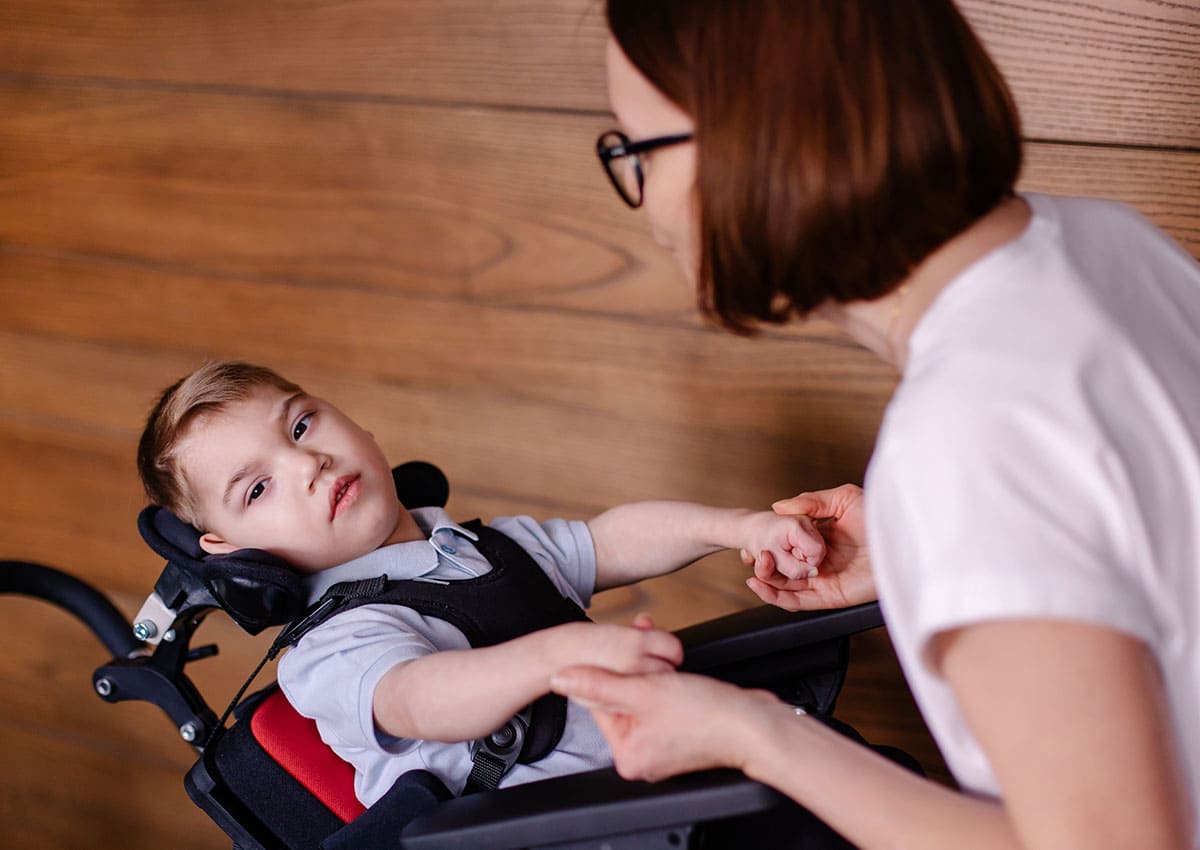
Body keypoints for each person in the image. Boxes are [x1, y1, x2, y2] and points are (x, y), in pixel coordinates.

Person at [550, 2, 1200, 849]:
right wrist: (926, 556)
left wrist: (757, 736)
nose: (642, 202)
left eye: (638, 150)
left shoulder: (964, 435)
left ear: (760, 145)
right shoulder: (1106, 241)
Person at [136, 359, 826, 806]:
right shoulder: (333, 647)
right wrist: (551, 659)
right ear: (230, 550)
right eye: (258, 488)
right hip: (563, 827)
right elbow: (417, 700)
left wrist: (740, 529)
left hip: (665, 787)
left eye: (303, 423)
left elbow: (613, 539)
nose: (308, 462)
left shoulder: (475, 547)